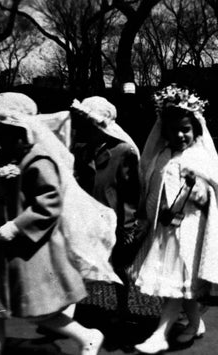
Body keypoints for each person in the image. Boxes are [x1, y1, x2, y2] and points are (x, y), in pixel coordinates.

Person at [0, 92, 120, 355]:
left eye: (2, 132)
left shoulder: (39, 160)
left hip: (31, 252)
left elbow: (49, 202)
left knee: (40, 313)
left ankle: (87, 336)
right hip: (0, 249)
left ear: (20, 130)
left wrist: (18, 225)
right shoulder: (1, 156)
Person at [131, 85, 218, 354]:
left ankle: (160, 334)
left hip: (189, 231)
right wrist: (149, 217)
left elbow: (216, 195)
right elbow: (152, 188)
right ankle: (195, 324)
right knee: (179, 285)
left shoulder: (200, 157)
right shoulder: (162, 156)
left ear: (196, 129)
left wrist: (200, 193)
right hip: (164, 231)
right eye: (174, 130)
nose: (180, 135)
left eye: (185, 129)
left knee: (175, 283)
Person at [70, 96, 140, 320]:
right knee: (79, 260)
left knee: (118, 265)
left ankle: (122, 306)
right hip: (86, 213)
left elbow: (130, 191)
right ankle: (74, 306)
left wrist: (128, 225)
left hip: (112, 216)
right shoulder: (82, 149)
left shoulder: (123, 151)